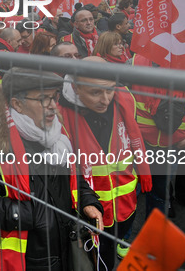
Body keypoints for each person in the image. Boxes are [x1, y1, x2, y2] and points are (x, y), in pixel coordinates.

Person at [0, 68, 103, 270]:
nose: (53, 106)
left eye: (55, 97)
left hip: (64, 247)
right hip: (26, 259)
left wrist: (88, 200)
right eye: (44, 99)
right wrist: (31, 213)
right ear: (17, 104)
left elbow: (72, 177)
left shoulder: (57, 136)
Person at [58, 57, 152, 270]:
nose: (105, 99)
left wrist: (143, 169)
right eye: (95, 92)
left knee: (107, 255)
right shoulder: (61, 114)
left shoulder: (124, 101)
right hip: (89, 209)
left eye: (110, 90)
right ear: (76, 87)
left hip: (126, 204)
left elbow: (133, 140)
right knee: (93, 261)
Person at [131, 54, 185, 218]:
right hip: (139, 143)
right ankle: (124, 236)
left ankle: (155, 231)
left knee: (160, 191)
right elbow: (123, 99)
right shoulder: (136, 62)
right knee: (130, 193)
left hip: (174, 144)